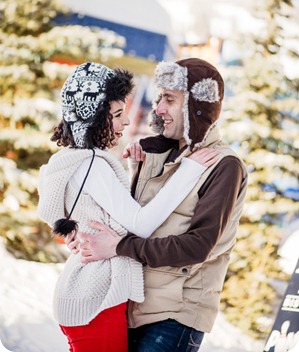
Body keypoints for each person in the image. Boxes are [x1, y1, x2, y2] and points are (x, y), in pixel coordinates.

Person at [37, 61, 220, 352]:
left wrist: (135, 171)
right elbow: (140, 224)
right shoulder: (92, 165)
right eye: (118, 114)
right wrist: (188, 171)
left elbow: (111, 212)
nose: (125, 122)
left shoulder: (74, 160)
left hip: (86, 293)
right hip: (95, 298)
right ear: (94, 118)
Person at [74, 58, 249, 352]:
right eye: (159, 98)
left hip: (175, 315)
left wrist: (118, 246)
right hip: (132, 306)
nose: (159, 109)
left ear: (197, 106)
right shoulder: (153, 154)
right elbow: (137, 223)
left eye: (170, 99)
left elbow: (196, 247)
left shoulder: (224, 166)